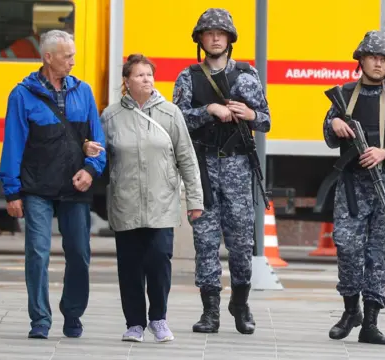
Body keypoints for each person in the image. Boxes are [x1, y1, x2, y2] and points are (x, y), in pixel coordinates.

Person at [0, 29, 106, 339]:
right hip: (37, 189)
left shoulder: (83, 92)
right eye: (67, 56)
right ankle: (40, 320)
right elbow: (13, 145)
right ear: (48, 57)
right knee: (37, 253)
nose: (73, 61)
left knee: (79, 253)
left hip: (76, 188)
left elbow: (98, 142)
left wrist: (90, 169)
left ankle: (72, 314)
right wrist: (12, 191)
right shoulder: (22, 94)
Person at [172, 8, 270, 335]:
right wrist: (208, 110)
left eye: (221, 33)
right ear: (200, 39)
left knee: (242, 243)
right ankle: (210, 310)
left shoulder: (247, 75)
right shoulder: (188, 77)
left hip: (239, 170)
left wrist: (250, 113)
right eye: (209, 33)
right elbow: (177, 119)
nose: (215, 38)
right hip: (202, 168)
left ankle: (240, 304)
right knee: (205, 242)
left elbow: (267, 120)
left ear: (229, 39)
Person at [323, 30, 385, 345]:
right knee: (347, 246)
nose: (378, 63)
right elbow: (328, 134)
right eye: (372, 57)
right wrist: (334, 124)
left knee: (378, 254)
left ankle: (371, 321)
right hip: (352, 184)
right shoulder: (345, 94)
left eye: (383, 59)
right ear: (361, 60)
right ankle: (351, 310)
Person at [100, 54, 204, 343]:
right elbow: (100, 158)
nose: (146, 79)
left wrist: (195, 200)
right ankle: (134, 323)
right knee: (129, 264)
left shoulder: (171, 113)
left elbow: (187, 158)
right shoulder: (110, 116)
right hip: (126, 201)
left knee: (159, 260)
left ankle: (158, 318)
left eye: (149, 74)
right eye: (140, 75)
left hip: (162, 201)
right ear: (127, 81)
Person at [0, 10, 74, 60]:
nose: (65, 26)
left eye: (68, 23)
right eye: (65, 23)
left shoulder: (26, 44)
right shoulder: (39, 40)